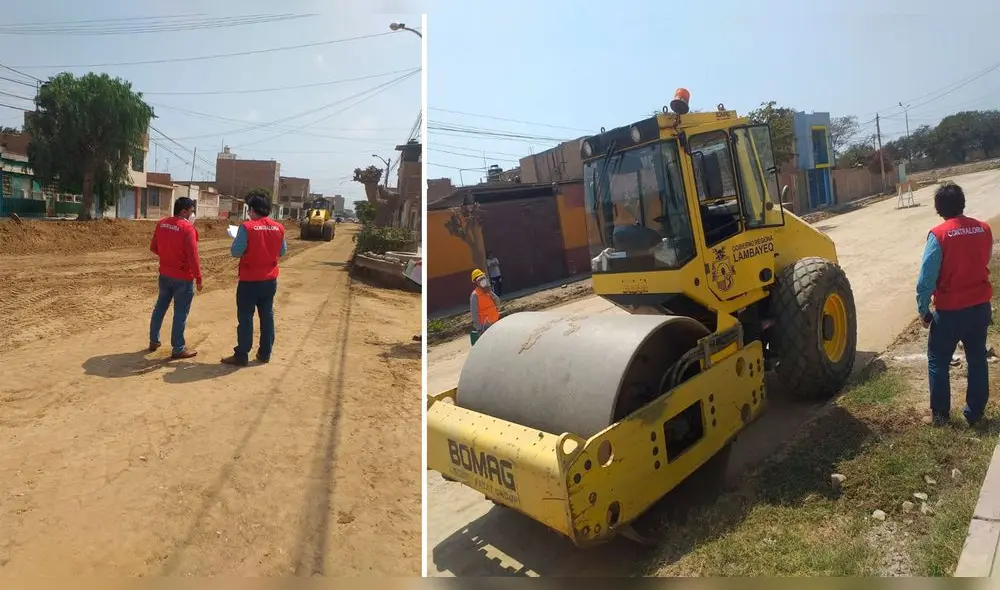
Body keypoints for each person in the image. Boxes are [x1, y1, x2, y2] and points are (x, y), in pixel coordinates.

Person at [916, 183, 993, 427]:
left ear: (939, 208)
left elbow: (926, 279)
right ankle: (975, 413)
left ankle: (940, 416)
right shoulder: (984, 229)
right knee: (977, 358)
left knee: (938, 359)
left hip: (950, 310)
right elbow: (984, 260)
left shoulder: (939, 235)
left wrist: (923, 310)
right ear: (962, 203)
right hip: (980, 306)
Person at [221, 195, 287, 367]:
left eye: (249, 209)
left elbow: (236, 252)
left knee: (245, 317)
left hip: (249, 281)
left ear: (252, 210)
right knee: (267, 316)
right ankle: (265, 353)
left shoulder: (247, 227)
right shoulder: (279, 227)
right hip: (269, 280)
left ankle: (242, 354)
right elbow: (282, 251)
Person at [148, 196, 202, 359]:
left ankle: (153, 340)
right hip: (183, 277)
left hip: (165, 274)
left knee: (160, 307)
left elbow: (153, 247)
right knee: (180, 312)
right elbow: (193, 256)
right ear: (184, 211)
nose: (192, 214)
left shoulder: (161, 223)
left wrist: (167, 257)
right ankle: (178, 348)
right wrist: (198, 277)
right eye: (191, 211)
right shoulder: (188, 229)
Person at [470, 268, 501, 340]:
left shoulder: (488, 291)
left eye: (483, 278)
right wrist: (479, 329)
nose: (483, 280)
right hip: (485, 325)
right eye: (480, 279)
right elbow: (474, 313)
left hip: (495, 320)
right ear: (476, 282)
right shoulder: (475, 295)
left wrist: (489, 292)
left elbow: (498, 302)